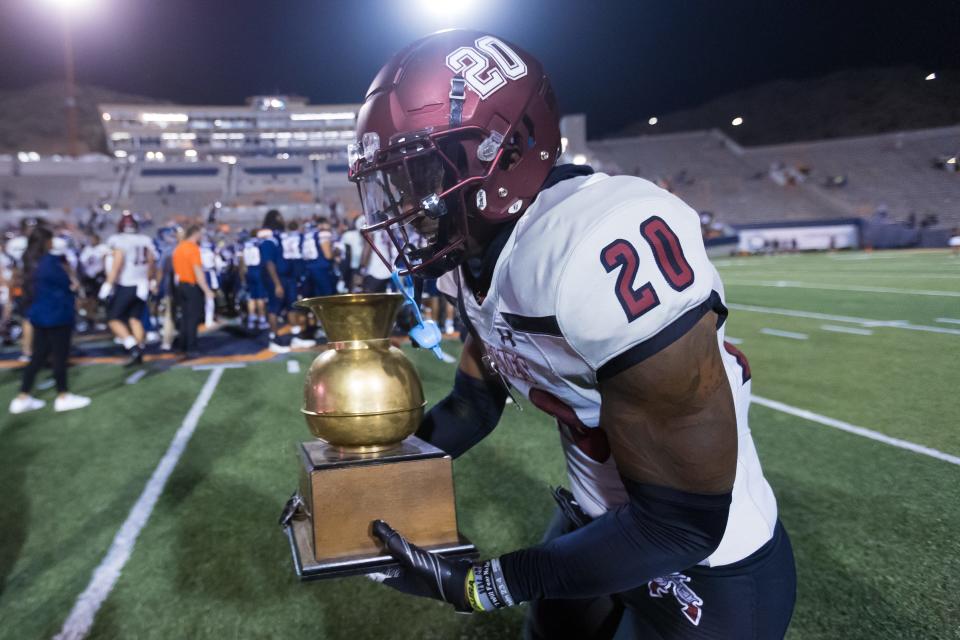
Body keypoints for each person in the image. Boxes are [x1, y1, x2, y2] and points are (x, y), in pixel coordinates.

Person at [352, 31, 795, 639]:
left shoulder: (596, 240)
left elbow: (681, 523)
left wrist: (478, 583)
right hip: (596, 526)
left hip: (704, 564)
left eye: (423, 171)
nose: (407, 201)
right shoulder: (473, 257)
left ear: (502, 153)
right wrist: (362, 479)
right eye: (397, 179)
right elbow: (474, 403)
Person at [9, 226, 90, 414]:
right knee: (60, 356)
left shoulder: (29, 261)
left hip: (39, 313)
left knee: (38, 356)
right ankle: (63, 396)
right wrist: (73, 283)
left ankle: (23, 396)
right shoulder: (50, 262)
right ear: (46, 241)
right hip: (57, 313)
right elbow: (66, 285)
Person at [100, 213, 156, 366]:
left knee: (113, 319)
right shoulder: (145, 240)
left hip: (127, 284)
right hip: (142, 285)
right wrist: (150, 280)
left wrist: (108, 283)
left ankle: (132, 346)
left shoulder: (118, 240)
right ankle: (139, 350)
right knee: (135, 319)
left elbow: (118, 262)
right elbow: (151, 262)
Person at [171, 224, 214, 359]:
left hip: (181, 285)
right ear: (195, 234)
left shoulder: (179, 248)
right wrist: (206, 289)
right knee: (192, 318)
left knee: (185, 317)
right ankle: (191, 347)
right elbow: (197, 270)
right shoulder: (192, 248)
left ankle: (181, 346)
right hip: (191, 285)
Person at [257, 209, 290, 353]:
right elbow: (269, 262)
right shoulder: (268, 236)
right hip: (274, 277)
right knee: (274, 307)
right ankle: (274, 337)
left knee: (284, 306)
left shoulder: (277, 235)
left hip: (283, 275)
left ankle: (282, 336)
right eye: (280, 217)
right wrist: (277, 283)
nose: (283, 219)